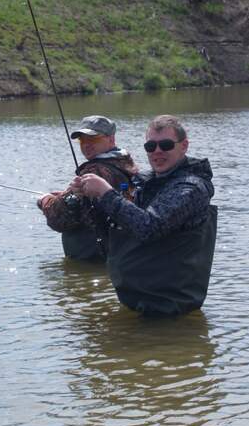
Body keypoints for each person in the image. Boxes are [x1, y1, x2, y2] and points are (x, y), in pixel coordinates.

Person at [70, 115, 217, 316]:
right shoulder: (147, 182)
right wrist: (88, 196)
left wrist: (105, 192)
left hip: (168, 306)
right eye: (150, 146)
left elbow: (149, 227)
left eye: (165, 145)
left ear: (184, 146)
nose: (157, 152)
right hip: (140, 298)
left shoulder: (191, 187)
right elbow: (120, 225)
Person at [37, 115, 138, 262]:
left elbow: (59, 220)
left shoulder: (94, 172)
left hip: (93, 258)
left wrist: (46, 201)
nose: (86, 144)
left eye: (93, 139)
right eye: (82, 140)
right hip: (120, 254)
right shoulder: (125, 164)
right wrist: (67, 195)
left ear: (111, 139)